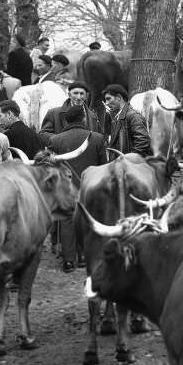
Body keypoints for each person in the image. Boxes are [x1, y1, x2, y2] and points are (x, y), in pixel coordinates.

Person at [47, 106, 107, 272]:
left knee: (67, 221)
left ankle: (68, 260)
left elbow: (51, 169)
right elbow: (103, 166)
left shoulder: (55, 140)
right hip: (91, 187)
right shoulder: (97, 138)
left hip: (66, 188)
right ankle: (84, 257)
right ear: (83, 118)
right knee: (88, 221)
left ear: (66, 120)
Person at [101, 84, 150, 156]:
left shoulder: (133, 116)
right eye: (106, 100)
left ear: (119, 98)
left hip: (128, 165)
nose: (106, 103)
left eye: (108, 99)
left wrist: (129, 160)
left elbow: (143, 141)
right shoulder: (117, 118)